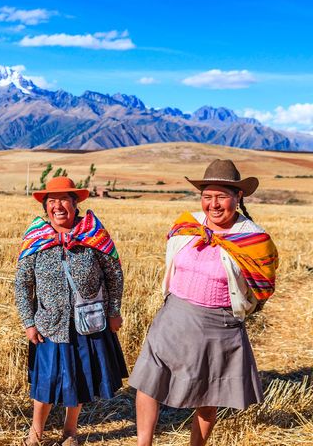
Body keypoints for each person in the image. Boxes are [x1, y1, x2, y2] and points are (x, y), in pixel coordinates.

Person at [129, 159, 278, 446]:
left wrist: (238, 312)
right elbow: (171, 260)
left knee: (209, 395)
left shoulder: (254, 240)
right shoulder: (186, 226)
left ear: (238, 197)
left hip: (219, 325)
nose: (214, 204)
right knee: (148, 383)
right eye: (207, 196)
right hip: (173, 317)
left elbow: (263, 286)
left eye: (222, 196)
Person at [15, 176, 128, 446]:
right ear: (45, 208)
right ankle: (36, 433)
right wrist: (29, 322)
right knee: (45, 382)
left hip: (86, 322)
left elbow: (114, 275)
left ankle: (70, 432)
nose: (58, 206)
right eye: (51, 201)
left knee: (77, 379)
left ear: (75, 204)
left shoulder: (94, 236)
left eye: (64, 199)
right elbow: (22, 283)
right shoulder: (36, 239)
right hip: (49, 324)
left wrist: (114, 311)